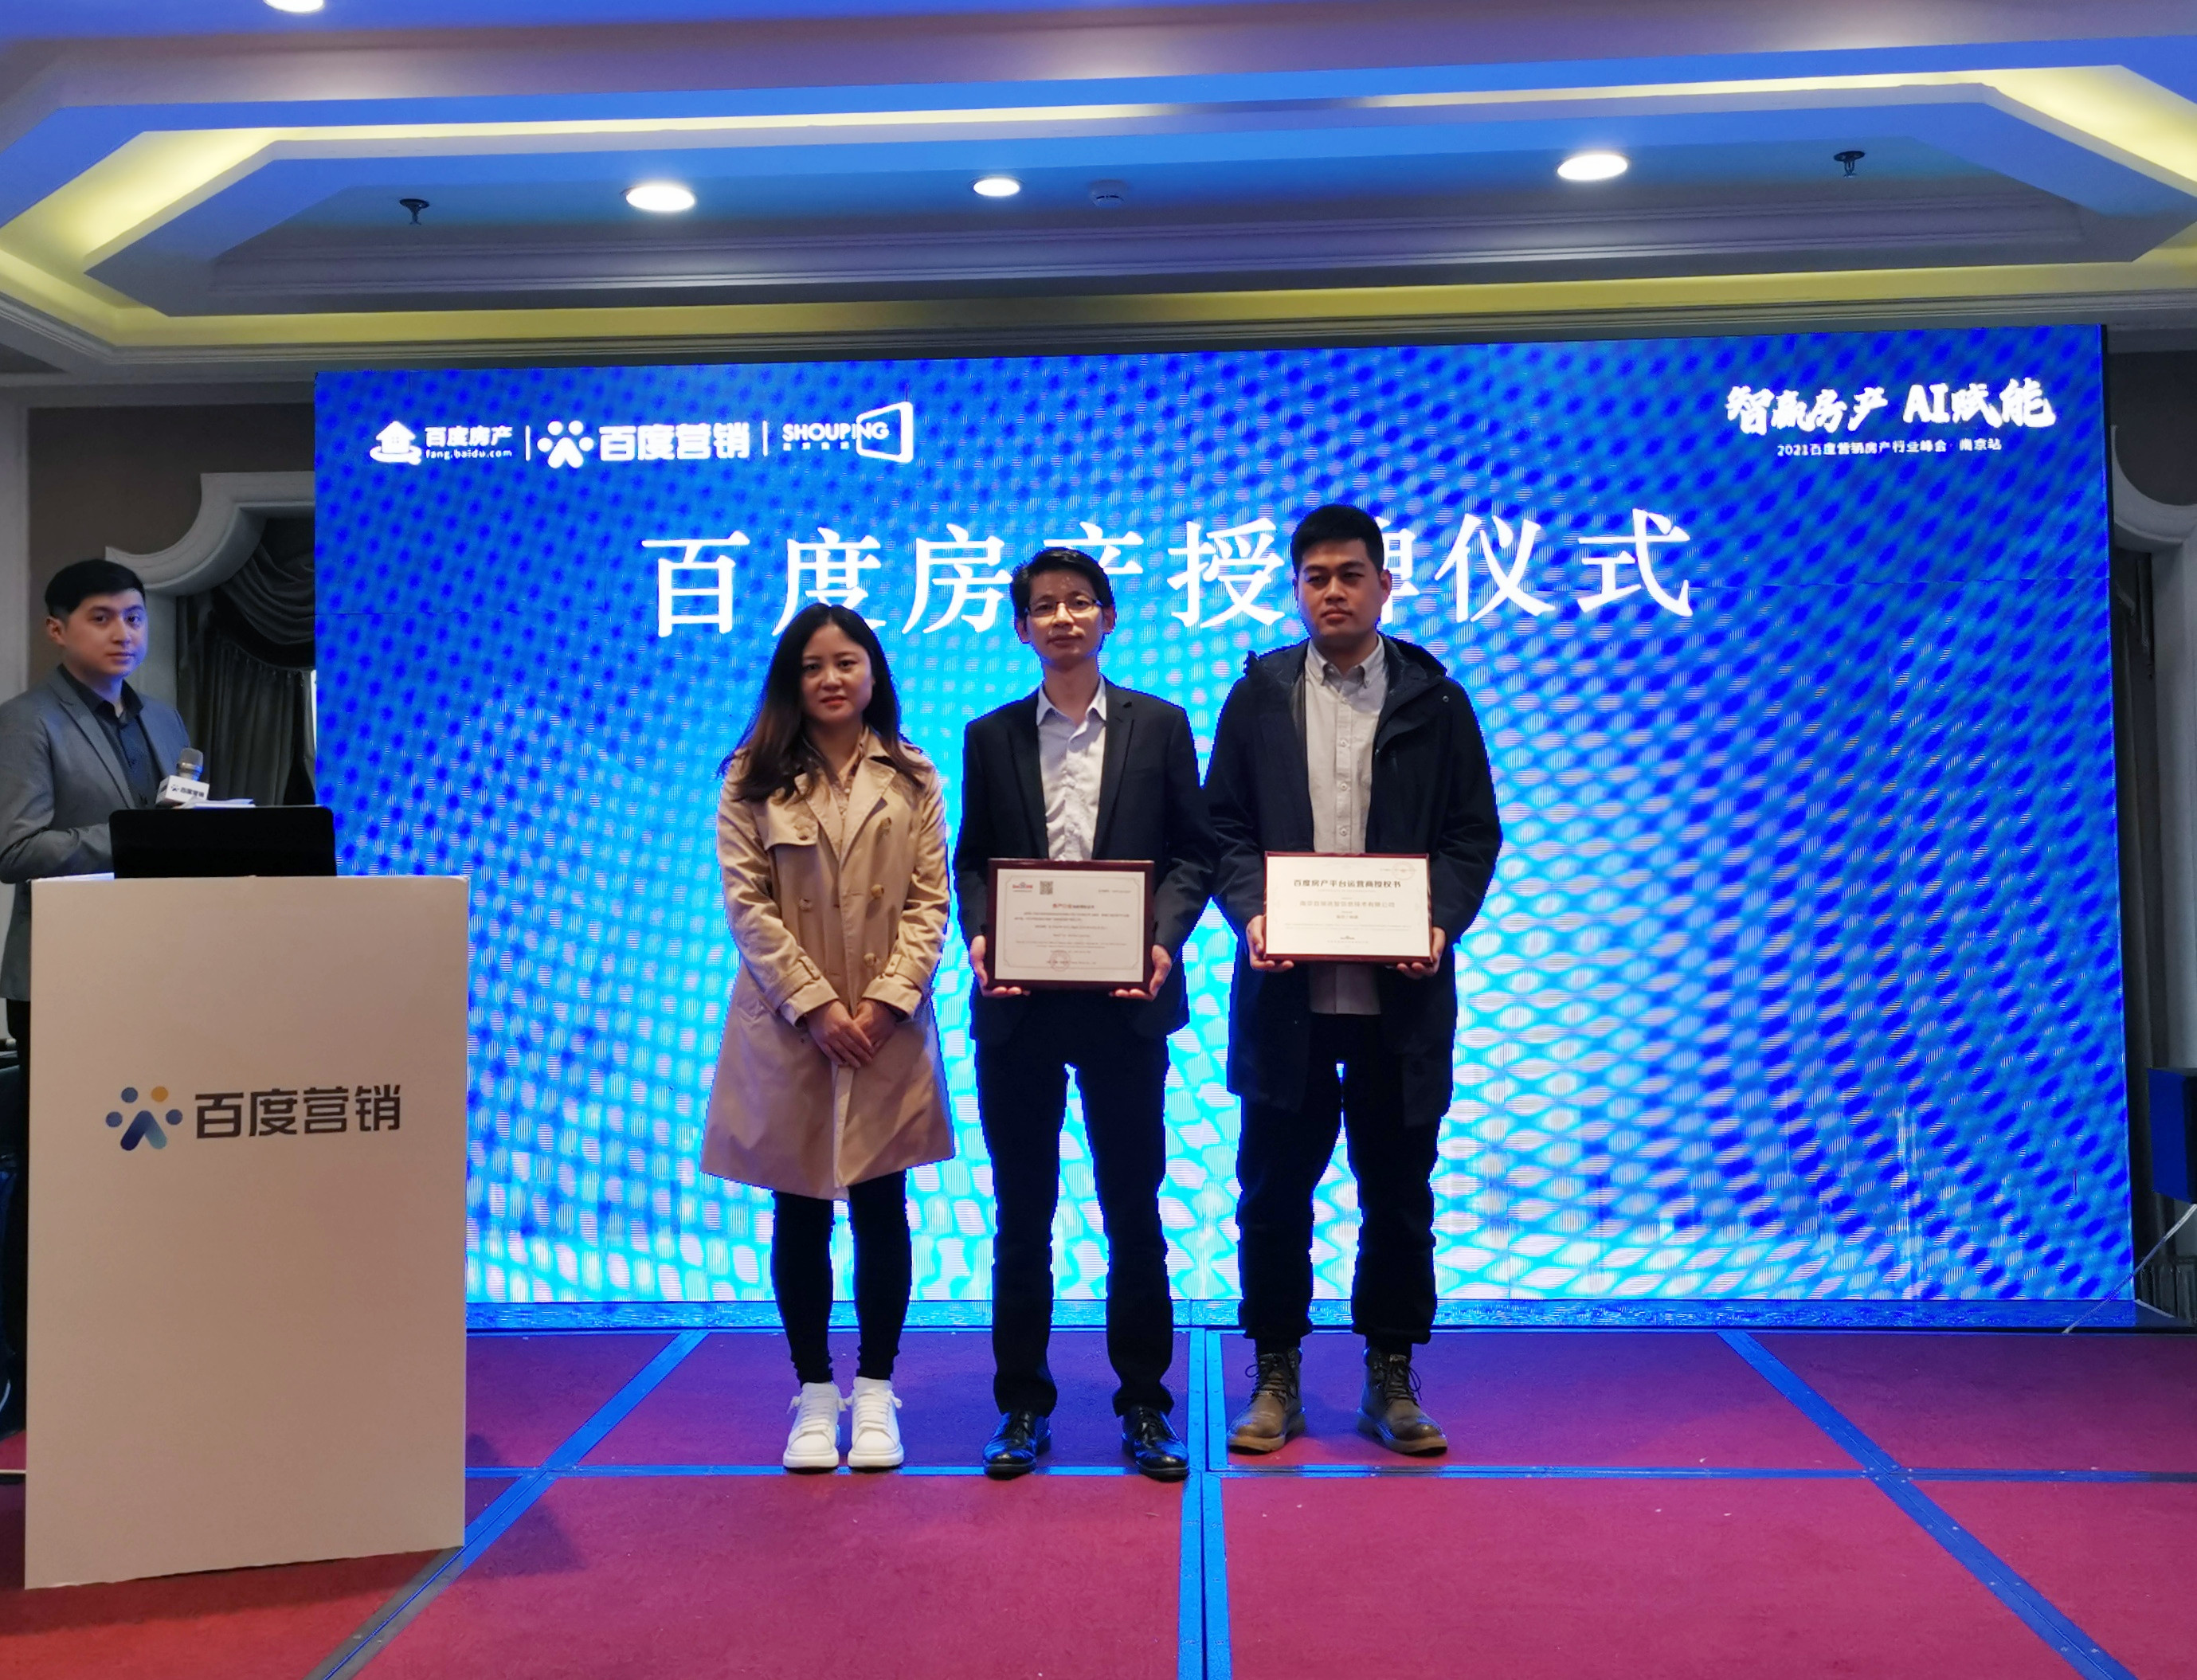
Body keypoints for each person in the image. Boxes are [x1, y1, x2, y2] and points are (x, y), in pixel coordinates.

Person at [1204, 503, 1502, 1457]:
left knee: (1398, 1199)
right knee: (1271, 1199)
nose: (1332, 592)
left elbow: (1471, 833)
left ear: (1384, 585)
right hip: (1285, 997)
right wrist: (1252, 912)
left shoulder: (1436, 701)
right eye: (1315, 577)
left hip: (1398, 1003)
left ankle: (1391, 1376)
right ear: (1295, 590)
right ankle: (1274, 1375)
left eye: (1349, 575)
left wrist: (1437, 921)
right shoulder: (1258, 697)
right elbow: (1222, 829)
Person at [954, 546, 1216, 1482]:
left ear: (1108, 617)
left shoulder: (1161, 724)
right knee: (1021, 1216)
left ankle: (1144, 1404)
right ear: (1021, 627)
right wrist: (981, 934)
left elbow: (1192, 854)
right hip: (1019, 1008)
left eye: (1079, 602)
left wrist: (1164, 939)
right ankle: (1021, 1405)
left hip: (1124, 1004)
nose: (1062, 618)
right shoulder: (989, 736)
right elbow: (974, 861)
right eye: (1044, 606)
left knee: (1132, 1209)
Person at [704, 603, 954, 1473]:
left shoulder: (913, 774)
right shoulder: (751, 777)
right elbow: (747, 905)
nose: (831, 679)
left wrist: (887, 1001)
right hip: (791, 1026)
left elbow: (930, 901)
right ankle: (813, 1393)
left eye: (847, 662)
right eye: (812, 666)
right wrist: (813, 1006)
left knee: (883, 1205)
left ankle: (876, 1390)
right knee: (800, 1207)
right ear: (791, 681)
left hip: (886, 1024)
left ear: (873, 672)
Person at [0, 558, 194, 1434]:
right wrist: (136, 837)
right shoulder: (27, 722)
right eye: (102, 618)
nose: (125, 634)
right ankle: (28, 1368)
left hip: (150, 975)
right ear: (58, 630)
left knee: (148, 1170)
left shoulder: (164, 718)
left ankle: (134, 1345)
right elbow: (14, 849)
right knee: (60, 1176)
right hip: (61, 978)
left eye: (135, 618)